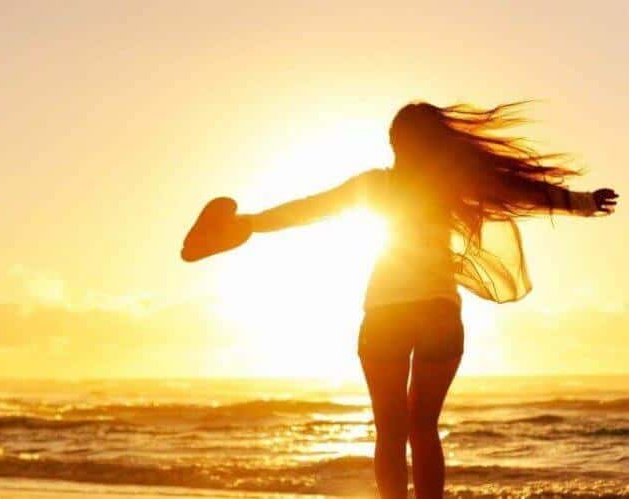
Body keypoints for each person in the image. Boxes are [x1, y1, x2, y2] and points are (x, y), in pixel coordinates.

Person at [234, 102, 618, 498]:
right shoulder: (450, 185)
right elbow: (519, 190)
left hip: (386, 314)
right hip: (439, 314)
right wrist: (582, 202)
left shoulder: (376, 185)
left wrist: (249, 224)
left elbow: (310, 209)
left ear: (394, 142)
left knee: (390, 429)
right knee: (423, 428)